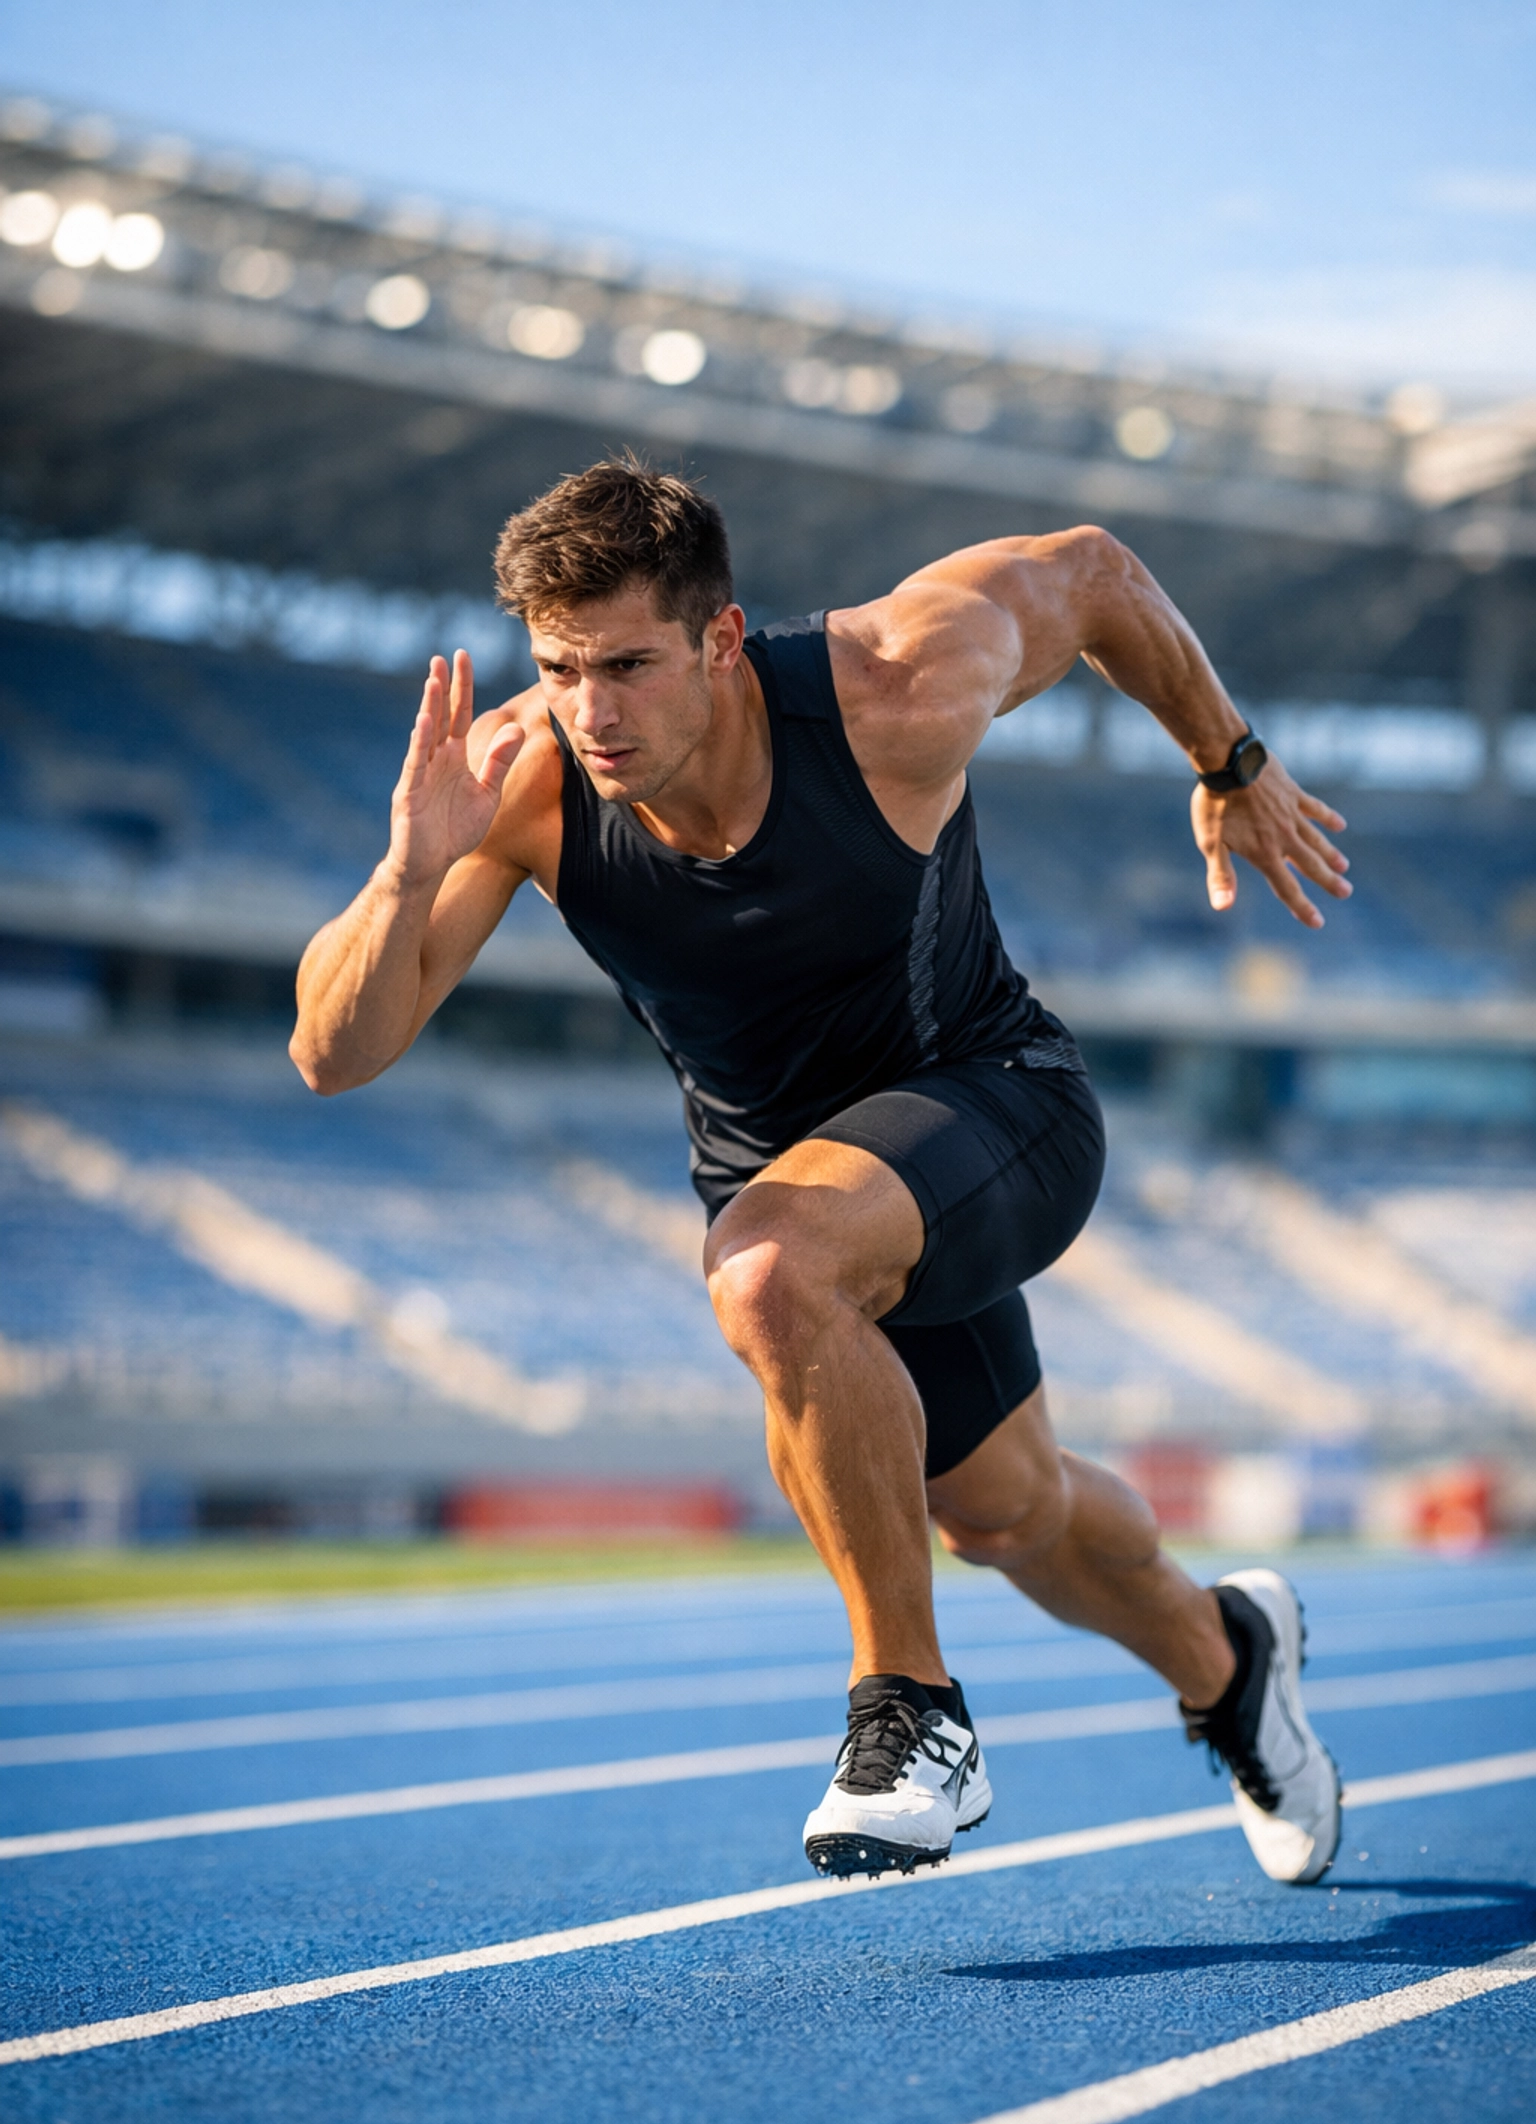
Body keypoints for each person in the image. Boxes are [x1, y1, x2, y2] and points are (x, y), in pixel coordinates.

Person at [291, 457, 1350, 1887]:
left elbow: (1093, 571)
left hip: (996, 1104)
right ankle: (1231, 1660)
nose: (588, 712)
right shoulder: (522, 778)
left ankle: (908, 1710)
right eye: (556, 668)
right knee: (1006, 1513)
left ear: (721, 642)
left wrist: (1231, 762)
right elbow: (334, 1054)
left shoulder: (895, 687)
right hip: (799, 1177)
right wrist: (406, 874)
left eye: (626, 667)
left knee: (774, 1275)